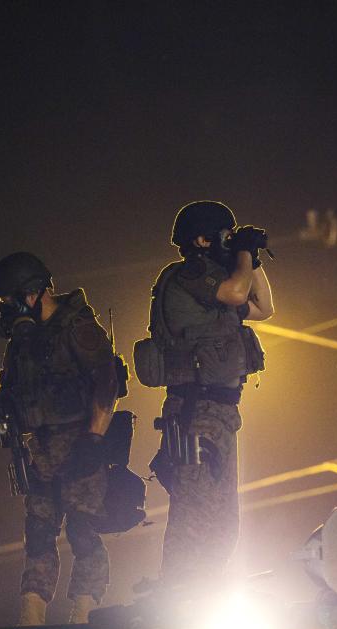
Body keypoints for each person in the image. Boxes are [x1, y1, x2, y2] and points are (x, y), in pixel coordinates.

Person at [0, 252, 118, 629]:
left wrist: (94, 438)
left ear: (31, 292)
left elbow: (108, 382)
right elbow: (10, 385)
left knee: (83, 531)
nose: (7, 309)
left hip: (80, 447)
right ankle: (31, 622)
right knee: (39, 533)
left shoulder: (77, 327)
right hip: (39, 451)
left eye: (9, 300)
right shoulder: (23, 341)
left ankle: (83, 620)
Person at [137, 200, 274, 588]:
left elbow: (264, 307)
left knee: (223, 521)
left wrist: (253, 259)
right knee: (194, 515)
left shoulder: (215, 282)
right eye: (223, 237)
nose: (228, 244)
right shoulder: (189, 277)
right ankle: (177, 601)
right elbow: (235, 293)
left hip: (220, 415)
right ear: (200, 239)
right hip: (195, 411)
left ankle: (205, 598)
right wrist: (243, 254)